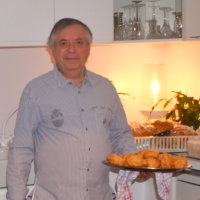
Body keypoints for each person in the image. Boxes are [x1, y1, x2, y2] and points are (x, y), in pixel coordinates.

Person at [6, 18, 138, 200]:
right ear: (52, 50)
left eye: (79, 42)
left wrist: (137, 163)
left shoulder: (106, 88)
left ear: (89, 48)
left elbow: (120, 135)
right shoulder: (35, 90)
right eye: (63, 43)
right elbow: (21, 150)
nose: (71, 50)